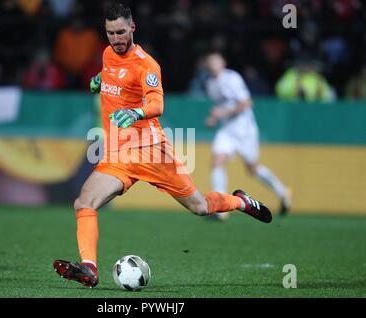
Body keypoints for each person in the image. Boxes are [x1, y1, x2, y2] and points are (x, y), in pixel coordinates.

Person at [52, 3, 272, 289]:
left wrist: (136, 112)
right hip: (119, 153)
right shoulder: (107, 54)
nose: (116, 39)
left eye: (121, 32)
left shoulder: (147, 64)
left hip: (152, 152)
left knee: (200, 207)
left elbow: (157, 103)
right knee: (84, 202)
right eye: (110, 33)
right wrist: (99, 81)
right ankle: (89, 268)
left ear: (132, 28)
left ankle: (241, 201)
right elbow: (112, 77)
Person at [203, 53, 291, 221]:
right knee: (216, 161)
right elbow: (222, 106)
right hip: (228, 130)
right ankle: (221, 209)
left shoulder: (232, 78)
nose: (212, 64)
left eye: (215, 60)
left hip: (244, 129)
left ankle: (282, 192)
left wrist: (222, 113)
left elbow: (246, 103)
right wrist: (214, 118)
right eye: (210, 61)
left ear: (223, 62)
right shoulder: (210, 83)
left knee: (252, 169)